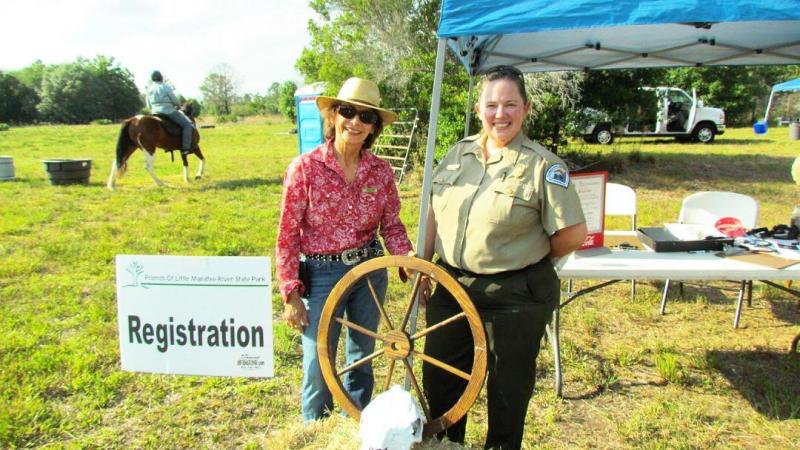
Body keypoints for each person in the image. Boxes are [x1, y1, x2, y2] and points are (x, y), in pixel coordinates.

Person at [420, 65, 588, 450]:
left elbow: (573, 234)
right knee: (442, 380)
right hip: (451, 287)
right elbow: (432, 211)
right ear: (479, 108)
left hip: (513, 295)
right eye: (492, 104)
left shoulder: (544, 166)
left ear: (526, 108)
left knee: (507, 389)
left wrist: (525, 257)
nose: (501, 114)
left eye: (510, 104)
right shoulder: (455, 154)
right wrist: (424, 266)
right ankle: (447, 446)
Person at [276, 77, 414, 422]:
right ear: (334, 115)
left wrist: (405, 257)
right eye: (348, 111)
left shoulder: (380, 172)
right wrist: (291, 293)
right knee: (317, 359)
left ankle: (356, 423)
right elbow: (288, 234)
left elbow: (392, 225)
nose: (355, 122)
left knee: (361, 355)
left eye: (366, 117)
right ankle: (314, 430)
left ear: (374, 128)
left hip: (369, 269)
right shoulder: (305, 168)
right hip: (322, 274)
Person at [146, 70, 194, 155]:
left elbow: (148, 105)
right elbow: (175, 101)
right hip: (168, 112)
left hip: (155, 113)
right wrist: (179, 106)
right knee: (187, 125)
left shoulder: (149, 89)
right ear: (161, 78)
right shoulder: (165, 87)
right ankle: (186, 148)